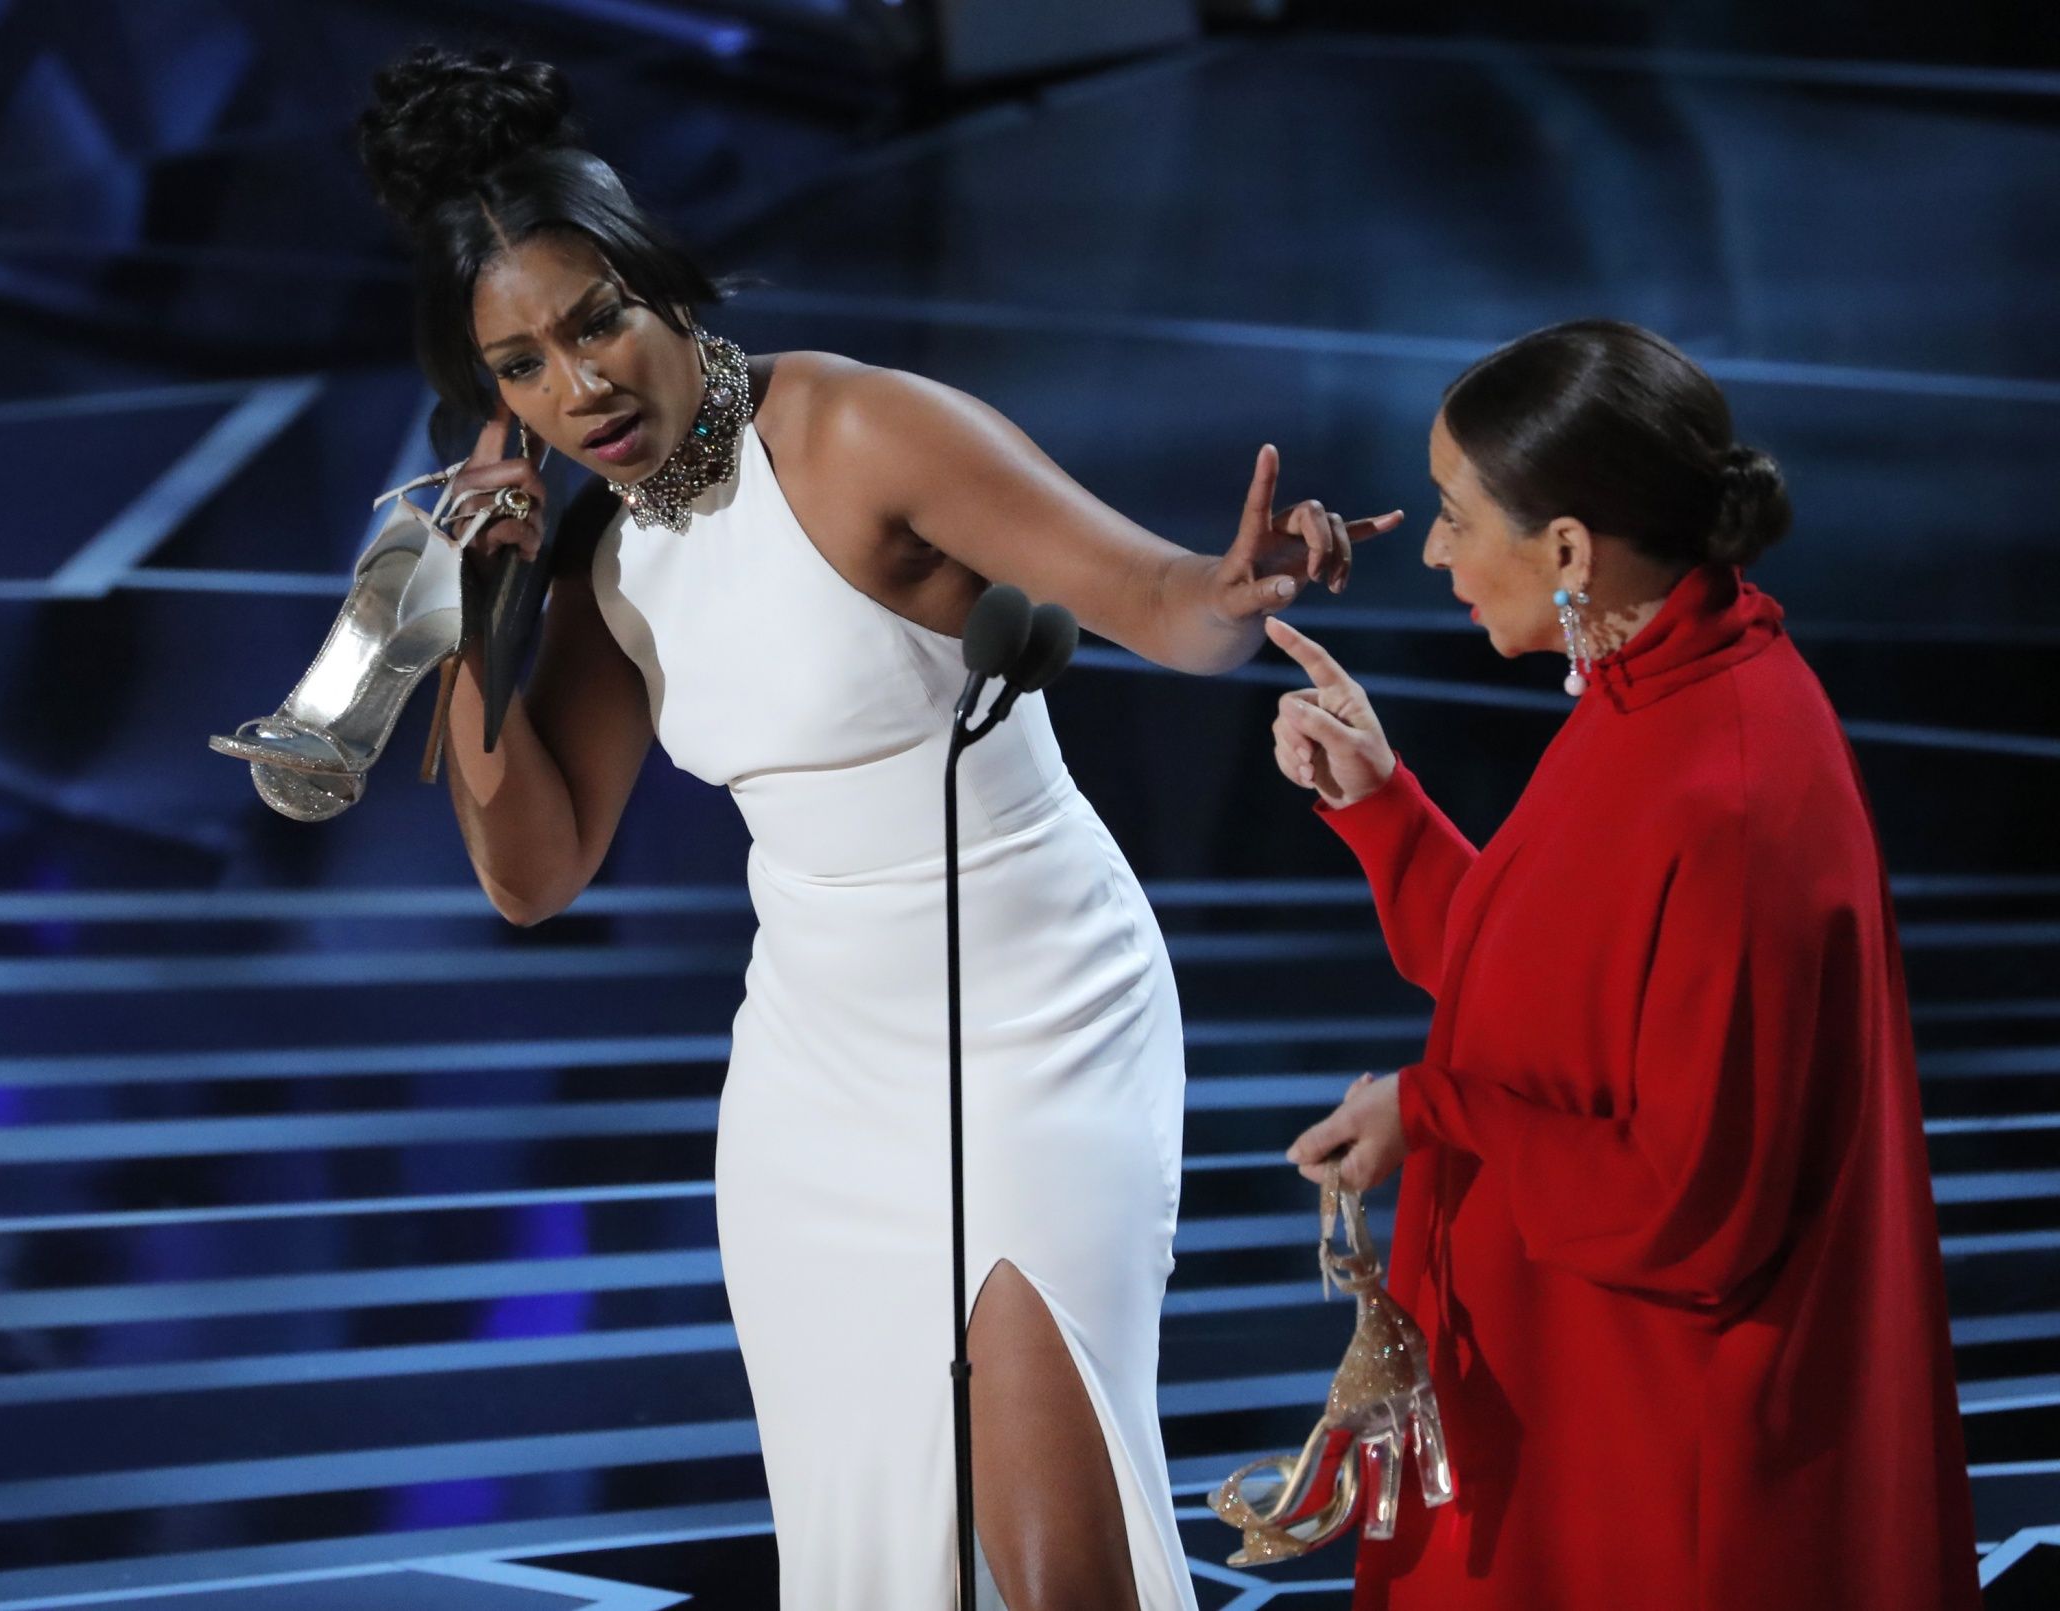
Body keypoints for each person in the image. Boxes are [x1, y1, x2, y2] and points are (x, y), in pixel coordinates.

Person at [352, 45, 1399, 1611]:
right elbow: (533, 876)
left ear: (660, 282)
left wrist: (1234, 589)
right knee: (880, 1564)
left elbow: (1165, 607)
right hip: (817, 1084)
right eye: (521, 366)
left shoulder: (857, 431)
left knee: (1059, 1575)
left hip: (1040, 1021)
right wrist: (469, 620)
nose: (579, 387)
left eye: (597, 321)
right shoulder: (605, 570)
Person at [1271, 320, 1978, 1608]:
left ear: (1568, 550)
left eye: (1453, 517)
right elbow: (1545, 992)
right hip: (1574, 1380)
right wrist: (1381, 806)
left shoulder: (1730, 781)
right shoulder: (1653, 690)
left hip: (1650, 1453)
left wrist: (1432, 1110)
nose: (1433, 552)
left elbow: (1691, 1203)